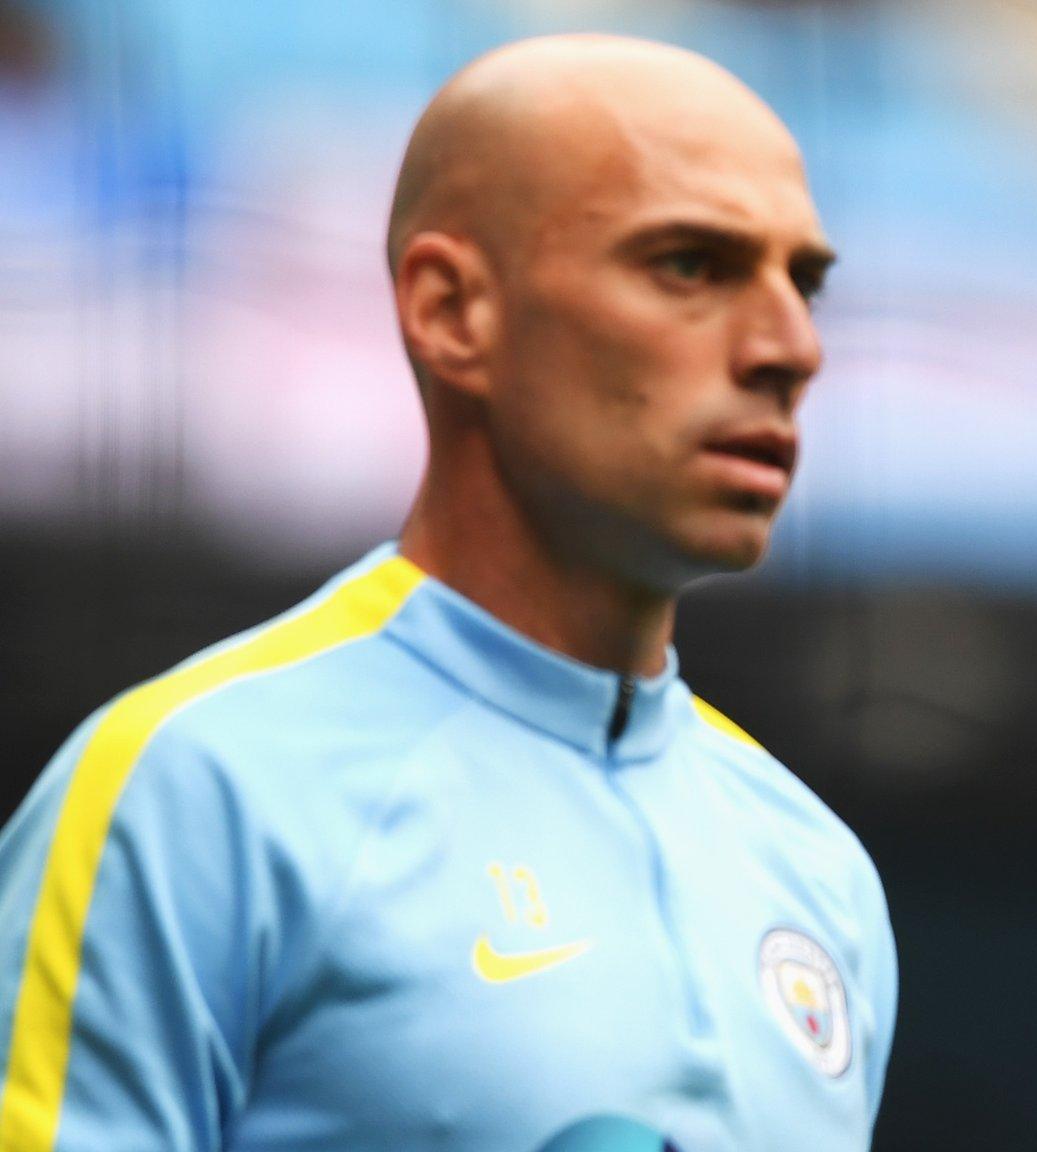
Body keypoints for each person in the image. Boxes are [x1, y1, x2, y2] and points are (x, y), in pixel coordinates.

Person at [0, 34, 894, 1152]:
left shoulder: (817, 871)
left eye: (801, 280)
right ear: (450, 309)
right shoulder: (191, 795)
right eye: (689, 265)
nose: (790, 346)